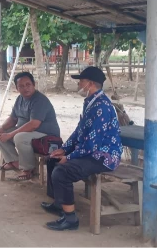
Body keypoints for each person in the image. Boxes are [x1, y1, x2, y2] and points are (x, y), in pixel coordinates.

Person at [41, 66, 123, 231]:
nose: (78, 84)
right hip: (90, 151)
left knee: (62, 171)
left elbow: (92, 144)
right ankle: (60, 204)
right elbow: (79, 131)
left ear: (90, 84)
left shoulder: (102, 107)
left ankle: (71, 219)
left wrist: (70, 157)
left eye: (81, 82)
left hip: (103, 156)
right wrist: (64, 150)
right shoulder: (90, 102)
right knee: (53, 159)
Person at [0, 72, 60, 181]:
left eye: (28, 84)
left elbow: (34, 124)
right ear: (17, 88)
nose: (25, 88)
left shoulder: (40, 100)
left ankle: (28, 169)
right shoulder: (20, 99)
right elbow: (13, 119)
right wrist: (2, 128)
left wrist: (10, 134)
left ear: (34, 84)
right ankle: (14, 161)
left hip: (46, 135)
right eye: (21, 86)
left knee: (19, 137)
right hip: (28, 132)